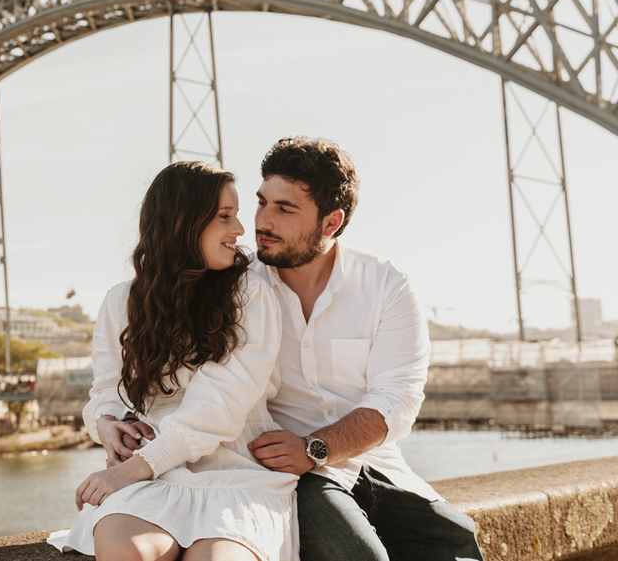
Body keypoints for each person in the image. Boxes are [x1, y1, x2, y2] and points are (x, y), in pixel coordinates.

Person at [244, 137, 483, 561]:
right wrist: (121, 420)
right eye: (262, 202)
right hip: (288, 477)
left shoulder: (386, 285)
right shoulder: (239, 287)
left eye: (284, 209)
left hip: (375, 466)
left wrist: (313, 448)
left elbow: (396, 400)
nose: (262, 220)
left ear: (331, 223)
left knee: (457, 545)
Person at [48, 161, 298, 561]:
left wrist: (130, 469)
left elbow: (219, 406)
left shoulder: (249, 294)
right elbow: (106, 391)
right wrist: (108, 426)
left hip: (235, 474)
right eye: (225, 216)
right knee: (124, 551)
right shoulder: (121, 301)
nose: (239, 229)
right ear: (184, 222)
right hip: (153, 478)